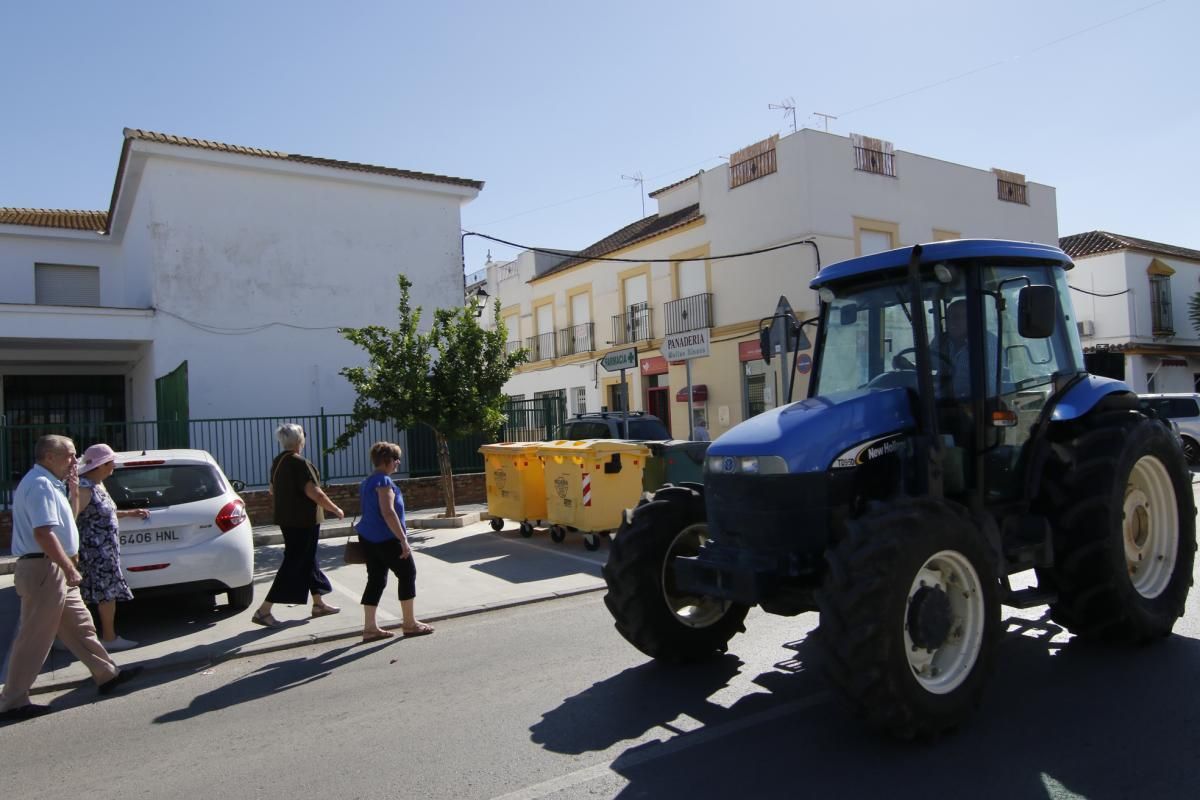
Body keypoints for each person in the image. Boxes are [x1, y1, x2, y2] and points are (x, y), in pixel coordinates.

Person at [0, 435, 142, 723]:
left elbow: (68, 520)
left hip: (53, 569)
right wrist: (68, 567)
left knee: (81, 626)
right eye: (70, 455)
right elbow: (43, 533)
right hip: (46, 569)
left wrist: (74, 492)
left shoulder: (51, 484)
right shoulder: (40, 485)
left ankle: (107, 675)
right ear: (49, 457)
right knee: (34, 637)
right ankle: (12, 701)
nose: (75, 462)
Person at [251, 423, 344, 628]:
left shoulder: (279, 461)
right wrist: (335, 509)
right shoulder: (298, 462)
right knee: (294, 563)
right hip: (303, 522)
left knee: (308, 559)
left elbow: (272, 490)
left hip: (288, 520)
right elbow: (314, 492)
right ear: (300, 440)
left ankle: (318, 604)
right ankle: (264, 610)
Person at [355, 441, 433, 643]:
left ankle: (370, 628)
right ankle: (409, 623)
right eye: (396, 460)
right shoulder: (384, 482)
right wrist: (403, 540)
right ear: (388, 461)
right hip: (387, 539)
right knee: (408, 573)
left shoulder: (367, 481)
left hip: (368, 537)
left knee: (376, 579)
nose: (398, 463)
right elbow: (388, 512)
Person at [75, 443, 149, 651]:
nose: (113, 466)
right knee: (104, 594)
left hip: (105, 550)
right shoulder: (84, 487)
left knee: (101, 594)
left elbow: (103, 513)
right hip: (94, 552)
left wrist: (129, 514)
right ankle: (108, 637)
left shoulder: (97, 485)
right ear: (99, 465)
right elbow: (72, 519)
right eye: (110, 463)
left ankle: (94, 637)